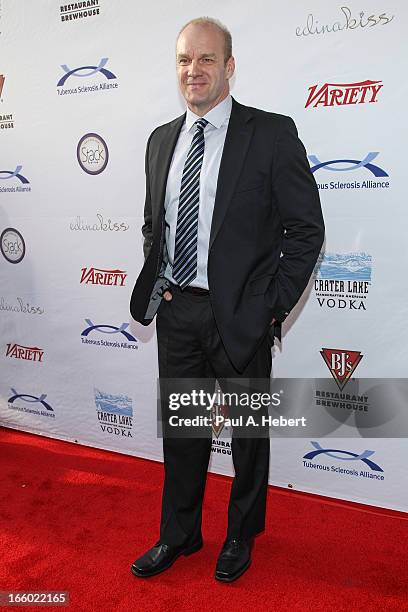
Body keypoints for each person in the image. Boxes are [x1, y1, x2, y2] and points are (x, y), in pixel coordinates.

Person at [129, 16, 324, 582]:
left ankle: (242, 534)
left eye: (207, 59)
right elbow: (154, 226)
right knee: (184, 432)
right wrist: (161, 279)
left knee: (246, 436)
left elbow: (306, 229)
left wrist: (271, 306)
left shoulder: (270, 134)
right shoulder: (161, 140)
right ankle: (180, 534)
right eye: (185, 60)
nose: (194, 70)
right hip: (178, 313)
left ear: (230, 67)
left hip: (241, 313)